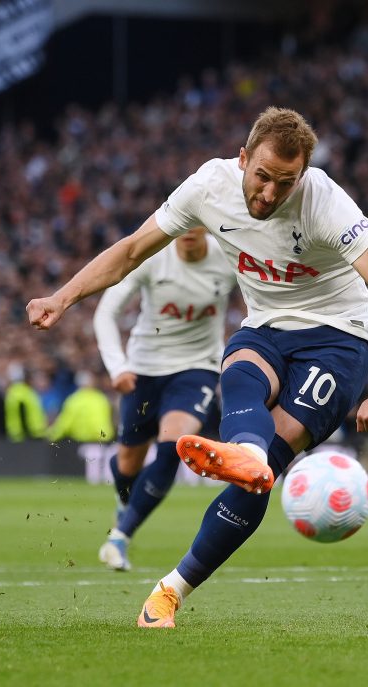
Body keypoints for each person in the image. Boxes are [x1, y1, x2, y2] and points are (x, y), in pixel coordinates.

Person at [27, 107, 368, 627]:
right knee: (239, 374)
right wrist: (63, 296)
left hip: (338, 338)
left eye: (286, 182)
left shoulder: (323, 201)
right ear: (242, 159)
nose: (270, 193)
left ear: (302, 175)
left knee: (261, 473)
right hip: (267, 326)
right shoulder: (208, 186)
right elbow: (130, 252)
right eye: (262, 176)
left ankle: (171, 589)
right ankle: (248, 455)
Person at [92, 226, 237, 572]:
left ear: (207, 224)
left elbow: (261, 297)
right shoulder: (152, 257)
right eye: (181, 224)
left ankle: (118, 538)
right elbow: (105, 313)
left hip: (197, 369)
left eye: (196, 223)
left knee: (174, 445)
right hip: (143, 370)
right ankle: (123, 501)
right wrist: (118, 367)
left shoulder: (229, 256)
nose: (187, 231)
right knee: (127, 463)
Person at [46, 370, 115, 444]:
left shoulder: (74, 400)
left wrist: (51, 435)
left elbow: (65, 423)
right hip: (102, 441)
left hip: (80, 443)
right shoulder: (101, 398)